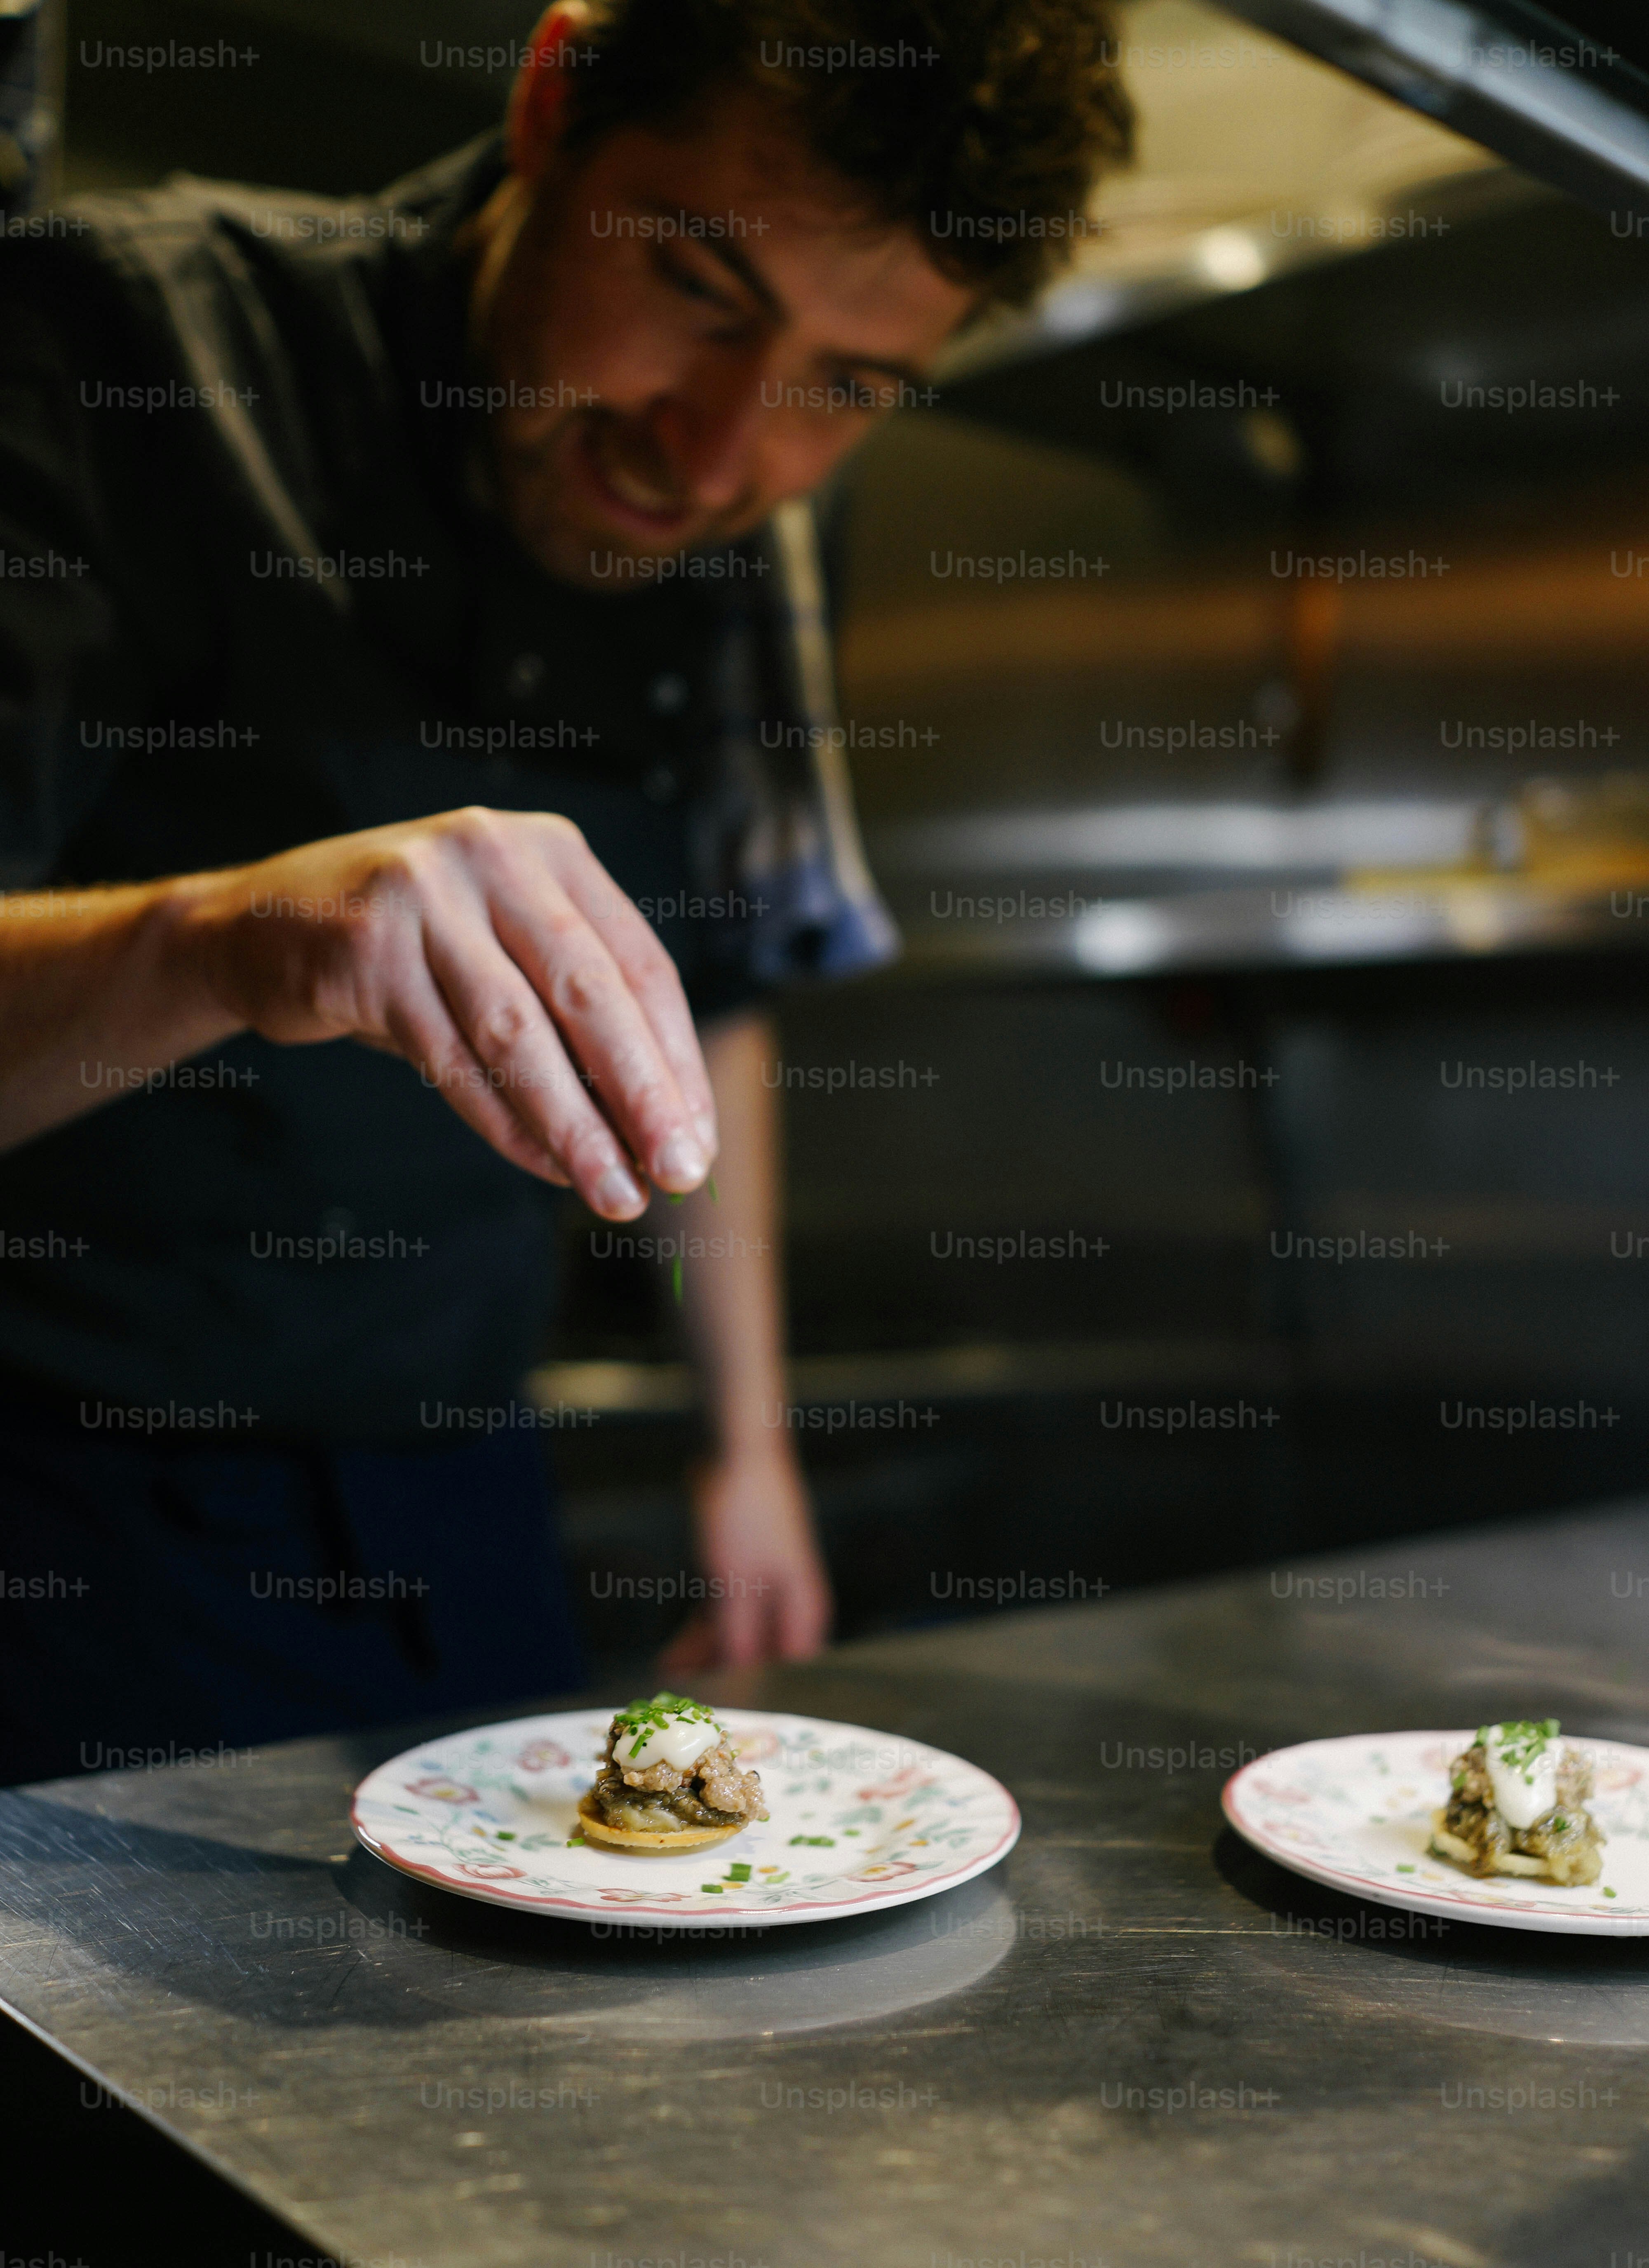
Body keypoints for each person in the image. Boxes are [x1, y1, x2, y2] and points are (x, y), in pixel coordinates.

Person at [0, 0, 1130, 1780]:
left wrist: (744, 1450)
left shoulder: (759, 524)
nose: (716, 454)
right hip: (59, 1506)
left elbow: (711, 999)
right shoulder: (122, 348)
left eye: (849, 388)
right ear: (554, 101)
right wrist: (220, 941)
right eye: (696, 288)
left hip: (468, 1502)